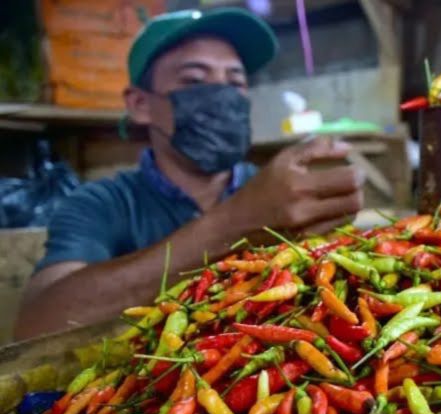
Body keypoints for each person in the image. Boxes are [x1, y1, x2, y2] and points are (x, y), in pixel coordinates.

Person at [14, 8, 364, 340]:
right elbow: (36, 326)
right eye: (195, 79)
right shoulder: (102, 204)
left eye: (235, 81)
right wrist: (235, 222)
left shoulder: (284, 197)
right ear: (140, 104)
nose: (222, 95)